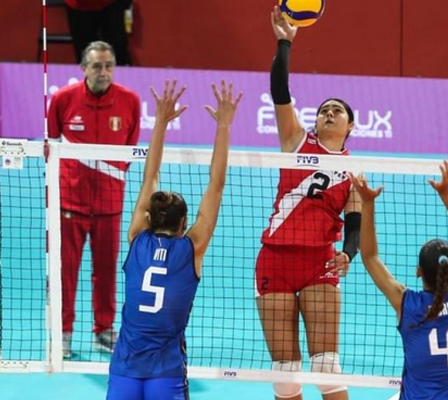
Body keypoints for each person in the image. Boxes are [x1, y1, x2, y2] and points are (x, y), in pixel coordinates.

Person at [105, 78, 243, 400]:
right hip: (164, 372)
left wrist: (160, 123)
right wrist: (223, 126)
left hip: (124, 367)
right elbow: (216, 185)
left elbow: (149, 175)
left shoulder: (136, 238)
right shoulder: (191, 248)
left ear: (150, 218)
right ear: (184, 223)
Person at [254, 6, 362, 400]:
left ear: (351, 126)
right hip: (275, 259)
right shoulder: (296, 141)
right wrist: (284, 43)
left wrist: (348, 254)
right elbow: (280, 91)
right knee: (285, 373)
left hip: (319, 261)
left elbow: (355, 220)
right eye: (323, 110)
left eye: (338, 111)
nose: (329, 113)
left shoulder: (354, 171)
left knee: (326, 367)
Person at [350, 159, 448, 400]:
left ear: (418, 271)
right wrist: (446, 194)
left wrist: (367, 203)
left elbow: (369, 257)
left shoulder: (406, 303)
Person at [47, 40, 141, 358]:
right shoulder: (62, 100)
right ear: (83, 68)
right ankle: (63, 334)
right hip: (69, 203)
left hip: (109, 205)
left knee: (106, 272)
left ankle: (104, 331)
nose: (104, 72)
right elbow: (50, 146)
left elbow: (129, 150)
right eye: (97, 66)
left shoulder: (130, 101)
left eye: (109, 65)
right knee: (66, 271)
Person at [65, 0, 133, 65]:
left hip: (110, 4)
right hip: (79, 7)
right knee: (85, 52)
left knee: (118, 48)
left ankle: (122, 73)